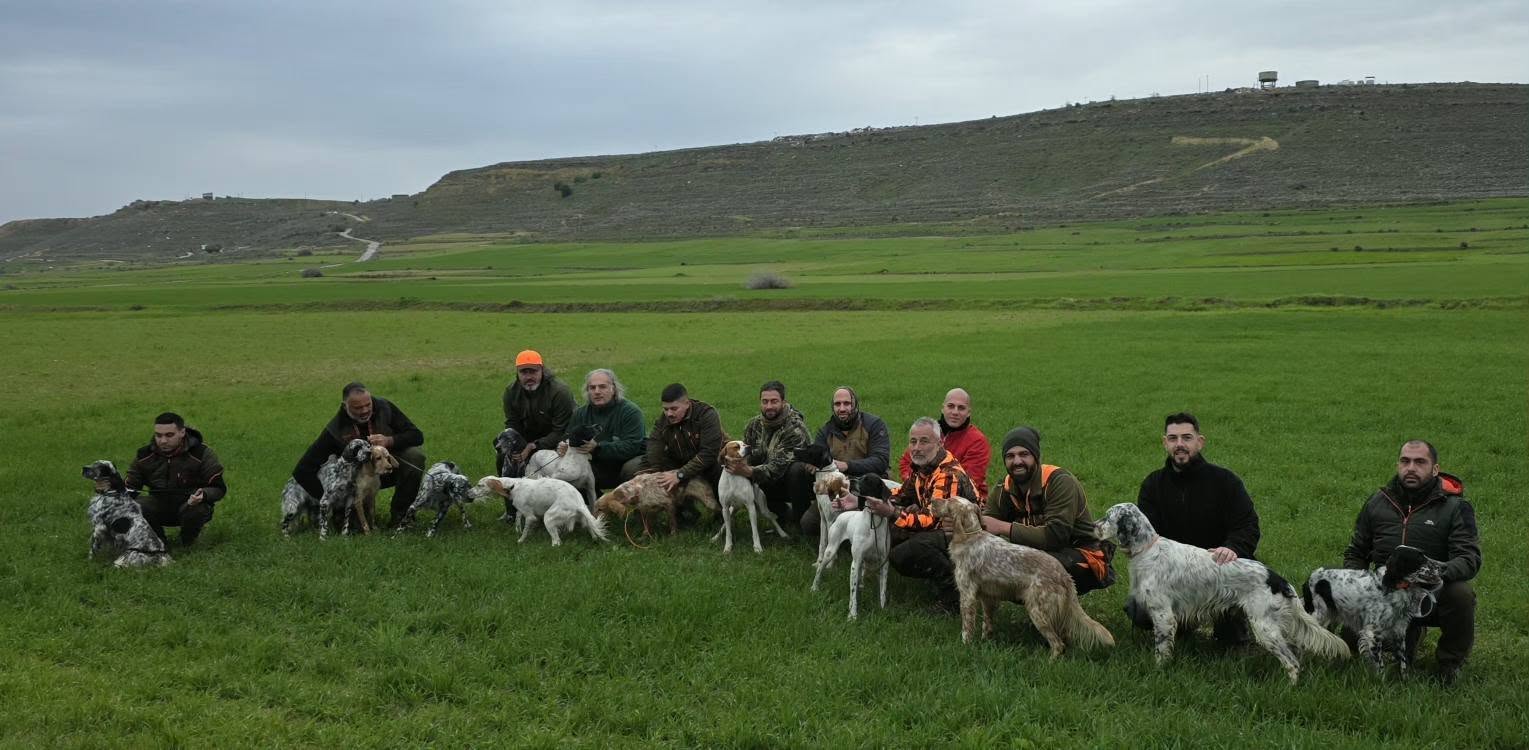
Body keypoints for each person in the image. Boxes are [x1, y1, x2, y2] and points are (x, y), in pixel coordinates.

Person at [1343, 439, 1481, 684]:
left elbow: (1469, 558)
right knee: (1349, 644)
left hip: (1432, 592)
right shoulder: (1376, 503)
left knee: (1461, 594)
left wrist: (1432, 573)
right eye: (1405, 461)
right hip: (1386, 591)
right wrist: (1357, 585)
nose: (1411, 468)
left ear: (1435, 469)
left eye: (1420, 462)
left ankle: (1450, 664)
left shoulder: (1455, 507)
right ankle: (1409, 635)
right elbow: (1356, 552)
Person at [1130, 412, 1259, 642]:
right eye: (1173, 438)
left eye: (1187, 437)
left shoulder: (1225, 481)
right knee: (1139, 610)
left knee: (1230, 640)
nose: (1179, 444)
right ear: (1165, 443)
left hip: (1220, 571)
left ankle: (1231, 622)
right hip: (1173, 575)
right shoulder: (1153, 485)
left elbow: (1247, 525)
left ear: (1200, 442)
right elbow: (1147, 538)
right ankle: (1182, 623)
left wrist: (1233, 548)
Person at [862, 417, 979, 611]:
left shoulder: (948, 473)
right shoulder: (923, 467)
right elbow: (902, 494)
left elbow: (933, 520)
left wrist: (892, 513)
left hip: (965, 535)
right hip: (941, 528)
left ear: (940, 443)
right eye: (913, 441)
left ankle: (953, 593)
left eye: (924, 441)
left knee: (906, 553)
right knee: (890, 533)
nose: (916, 448)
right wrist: (862, 499)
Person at [980, 427, 1113, 595]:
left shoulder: (1059, 482)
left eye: (1024, 454)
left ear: (1036, 456)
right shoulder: (1004, 488)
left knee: (1031, 566)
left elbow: (1056, 536)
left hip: (1081, 555)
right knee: (990, 559)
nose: (1017, 461)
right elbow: (984, 526)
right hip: (1038, 554)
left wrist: (1002, 527)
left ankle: (1056, 608)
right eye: (1010, 456)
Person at [292, 382, 426, 528]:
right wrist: (331, 500)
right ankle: (345, 514)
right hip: (356, 485)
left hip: (386, 470)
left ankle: (402, 516)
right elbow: (302, 471)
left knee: (414, 456)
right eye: (358, 408)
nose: (365, 410)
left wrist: (389, 441)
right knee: (354, 529)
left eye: (368, 405)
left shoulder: (384, 408)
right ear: (345, 407)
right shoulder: (335, 429)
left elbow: (417, 436)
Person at [799, 386, 891, 537]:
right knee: (809, 525)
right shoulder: (825, 431)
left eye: (847, 403)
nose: (842, 408)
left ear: (855, 404)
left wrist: (847, 465)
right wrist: (812, 466)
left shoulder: (874, 424)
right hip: (836, 485)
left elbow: (881, 461)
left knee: (870, 526)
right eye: (837, 404)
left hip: (869, 484)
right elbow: (818, 460)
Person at [124, 412, 226, 546]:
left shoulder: (201, 453)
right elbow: (129, 487)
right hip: (158, 506)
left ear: (182, 432)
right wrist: (107, 488)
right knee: (136, 505)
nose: (163, 441)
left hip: (189, 505)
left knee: (197, 509)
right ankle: (158, 542)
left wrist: (204, 495)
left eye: (169, 435)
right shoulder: (144, 455)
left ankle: (188, 542)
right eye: (158, 435)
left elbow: (218, 488)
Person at [724, 380, 813, 525]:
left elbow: (777, 467)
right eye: (765, 402)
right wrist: (735, 464)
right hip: (765, 480)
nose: (769, 406)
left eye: (774, 401)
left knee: (796, 470)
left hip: (791, 482)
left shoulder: (795, 429)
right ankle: (780, 514)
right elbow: (746, 456)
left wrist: (749, 471)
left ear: (783, 402)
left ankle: (801, 518)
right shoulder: (753, 425)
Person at [643, 383, 725, 515]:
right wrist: (655, 472)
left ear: (687, 404)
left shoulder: (706, 414)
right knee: (637, 468)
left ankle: (723, 511)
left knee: (719, 468)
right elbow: (654, 443)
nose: (669, 414)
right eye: (665, 409)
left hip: (710, 461)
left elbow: (709, 453)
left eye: (674, 409)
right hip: (681, 459)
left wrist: (680, 474)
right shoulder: (664, 419)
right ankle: (685, 513)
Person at [899, 388, 991, 497]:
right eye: (950, 406)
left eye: (961, 408)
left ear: (968, 413)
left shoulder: (977, 441)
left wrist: (927, 485)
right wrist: (916, 483)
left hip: (960, 500)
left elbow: (967, 481)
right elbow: (906, 462)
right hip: (921, 491)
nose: (955, 412)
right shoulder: (929, 432)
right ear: (943, 408)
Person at [565, 368, 647, 490]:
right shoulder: (580, 414)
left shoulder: (631, 412)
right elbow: (568, 438)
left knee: (632, 468)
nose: (597, 392)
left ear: (613, 389)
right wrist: (564, 446)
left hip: (626, 461)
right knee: (569, 470)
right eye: (592, 388)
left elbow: (631, 447)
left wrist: (598, 448)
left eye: (602, 387)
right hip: (595, 463)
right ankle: (589, 500)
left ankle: (630, 499)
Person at [501, 349, 576, 466]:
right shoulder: (511, 392)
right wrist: (514, 446)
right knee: (504, 453)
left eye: (533, 371)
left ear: (542, 370)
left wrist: (533, 446)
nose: (529, 377)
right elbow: (512, 423)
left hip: (558, 441)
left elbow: (561, 431)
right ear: (517, 373)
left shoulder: (559, 392)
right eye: (524, 372)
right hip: (530, 438)